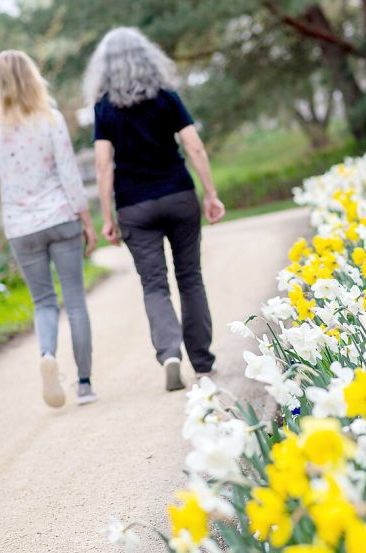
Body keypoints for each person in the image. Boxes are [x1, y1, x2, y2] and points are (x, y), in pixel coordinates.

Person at [83, 28, 225, 391]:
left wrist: (108, 218)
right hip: (178, 195)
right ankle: (203, 363)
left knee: (154, 285)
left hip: (134, 206)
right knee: (190, 277)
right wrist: (210, 194)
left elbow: (103, 165)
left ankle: (169, 353)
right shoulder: (166, 97)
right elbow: (194, 146)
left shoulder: (104, 108)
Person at [0, 50, 98, 408]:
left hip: (20, 227)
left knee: (43, 301)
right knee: (75, 302)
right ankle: (85, 384)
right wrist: (86, 220)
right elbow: (69, 174)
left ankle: (48, 354)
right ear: (32, 77)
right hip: (60, 218)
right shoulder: (51, 119)